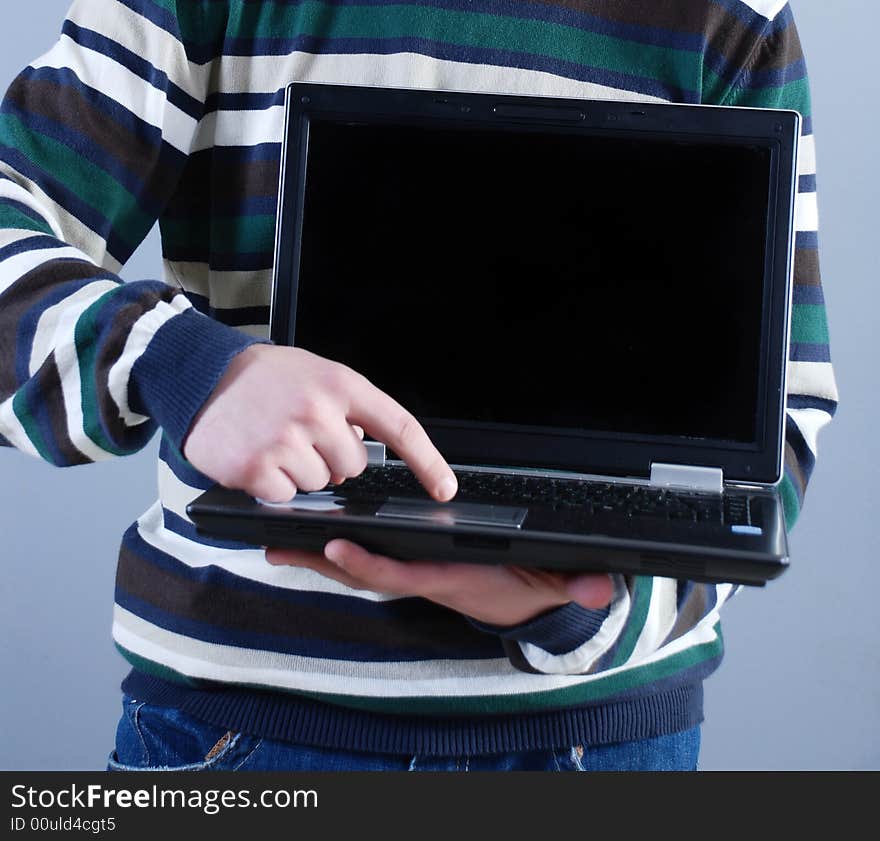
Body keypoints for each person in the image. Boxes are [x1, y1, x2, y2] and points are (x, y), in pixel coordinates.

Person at [0, 0, 837, 772]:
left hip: (594, 736)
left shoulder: (733, 14)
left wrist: (584, 612)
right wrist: (184, 365)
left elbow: (776, 426)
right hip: (239, 725)